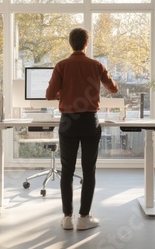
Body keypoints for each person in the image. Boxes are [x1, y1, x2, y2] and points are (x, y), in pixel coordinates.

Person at [45, 27, 119, 230]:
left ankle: (67, 218)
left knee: (66, 171)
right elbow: (114, 88)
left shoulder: (61, 65)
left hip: (68, 122)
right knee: (89, 170)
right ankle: (84, 218)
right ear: (86, 43)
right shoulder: (96, 65)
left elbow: (50, 95)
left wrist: (65, 93)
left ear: (71, 43)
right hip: (89, 122)